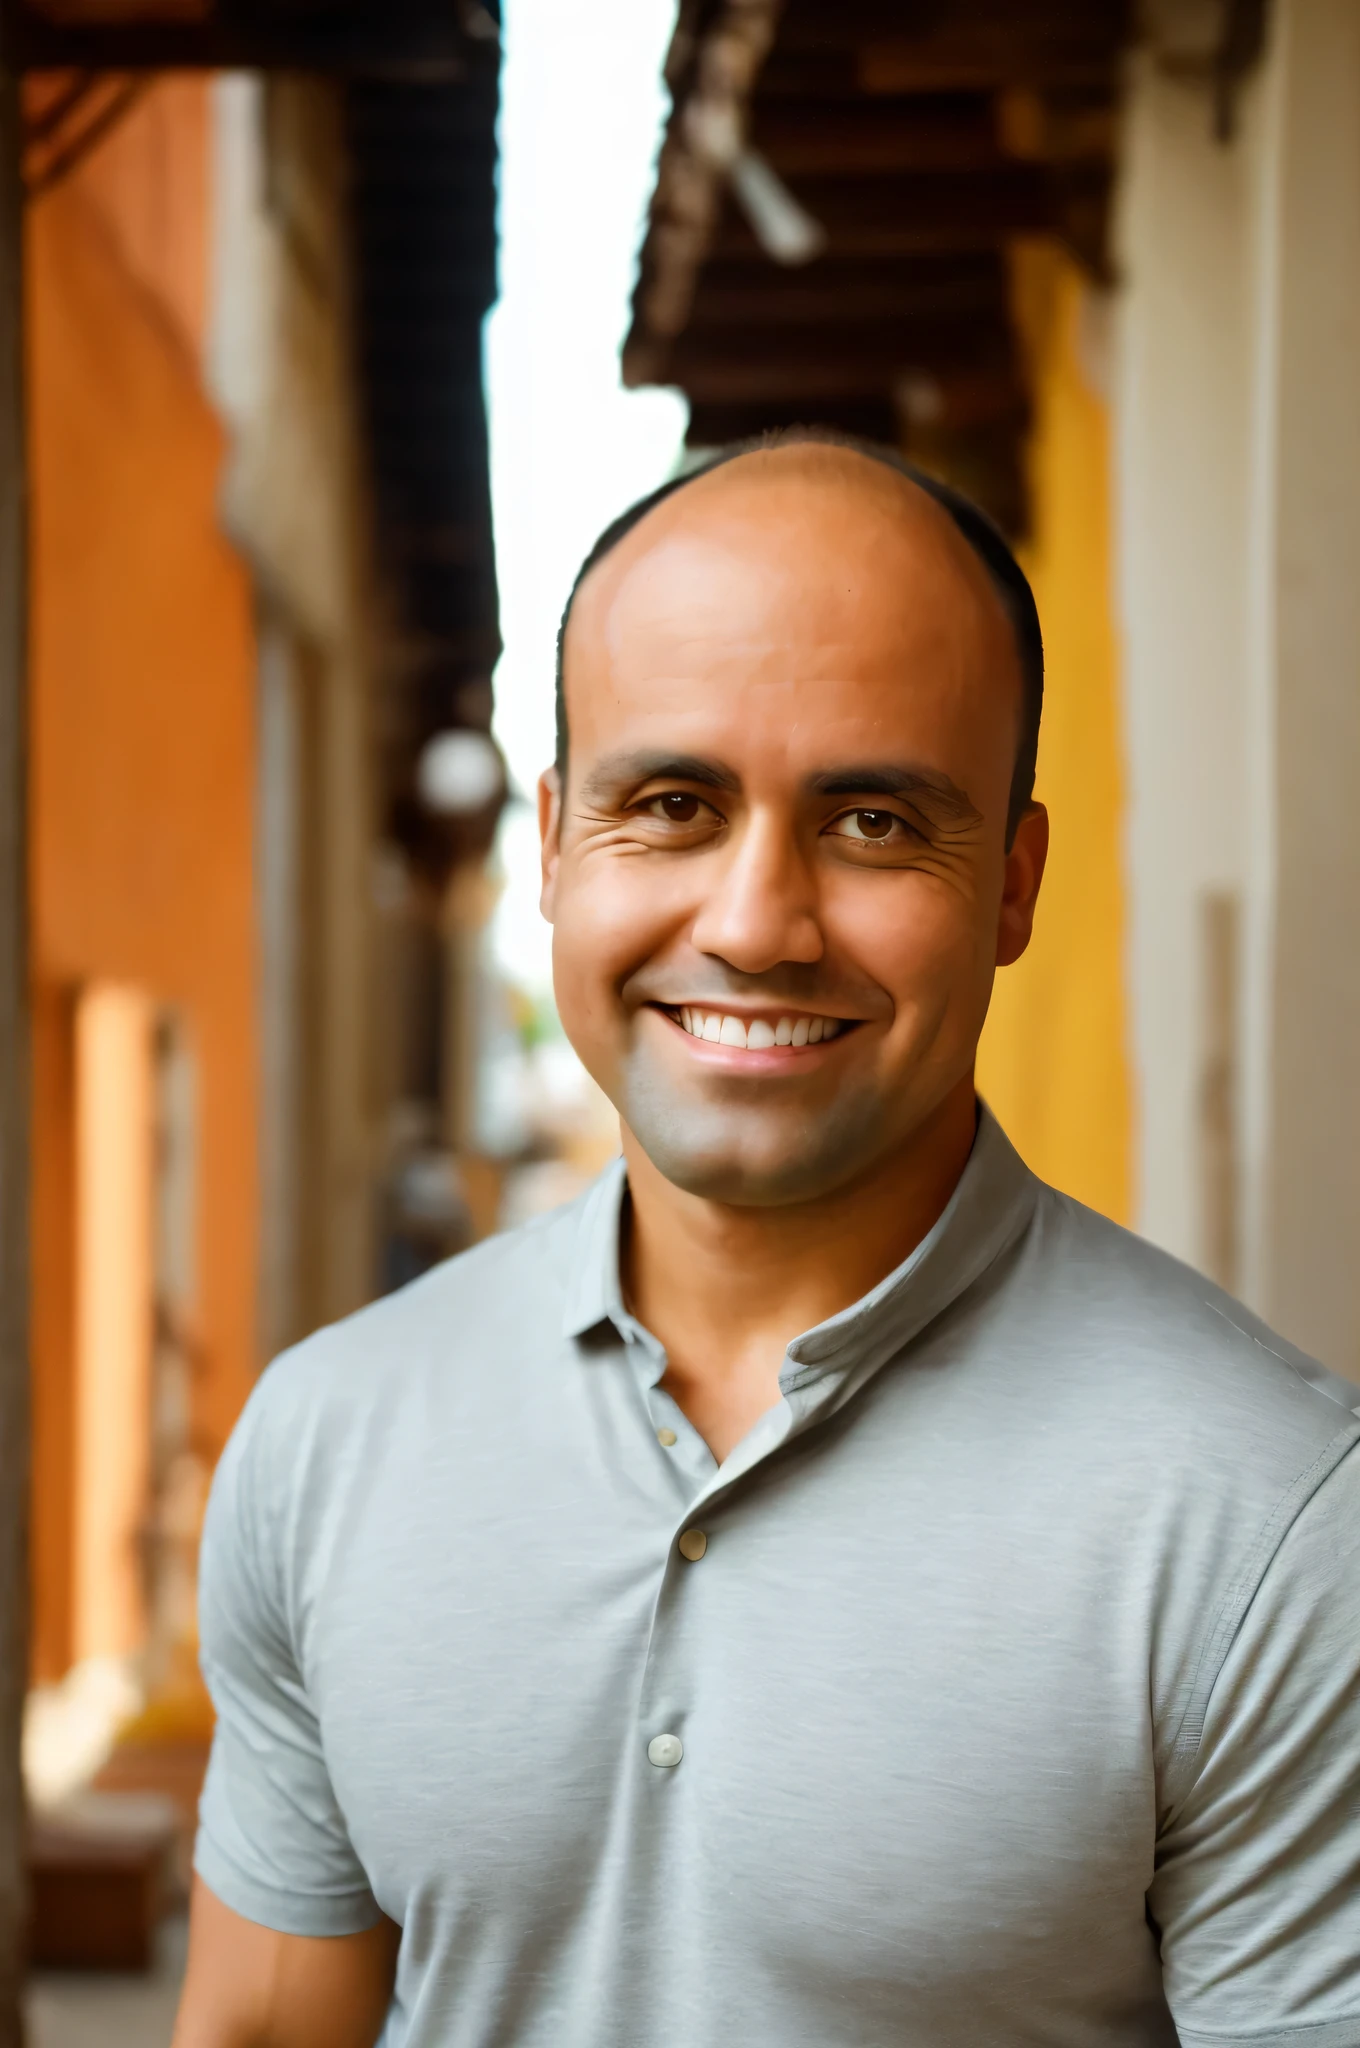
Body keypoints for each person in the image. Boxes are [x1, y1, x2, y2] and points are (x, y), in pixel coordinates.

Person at [173, 432, 1360, 2048]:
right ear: (553, 845)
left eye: (872, 822)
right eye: (670, 803)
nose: (753, 922)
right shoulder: (329, 1439)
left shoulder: (1272, 1522)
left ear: (1014, 887)